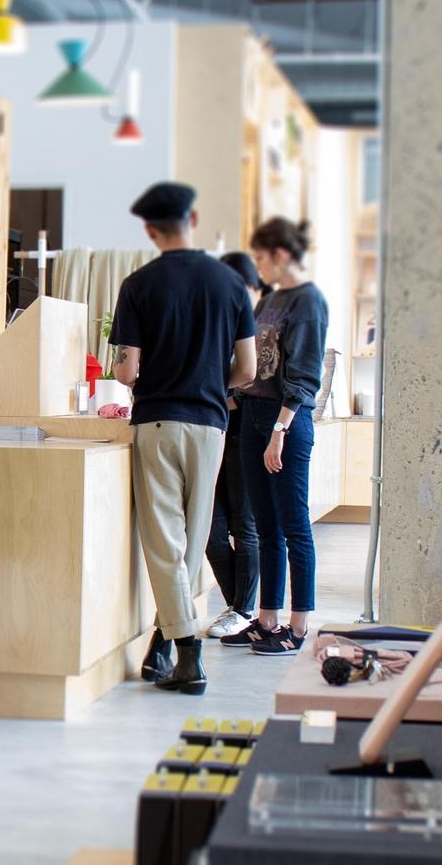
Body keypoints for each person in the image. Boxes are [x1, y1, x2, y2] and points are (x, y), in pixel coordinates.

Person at [110, 183, 258, 694]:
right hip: (213, 426)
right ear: (192, 218)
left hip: (157, 422)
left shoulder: (138, 285)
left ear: (150, 231)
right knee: (192, 541)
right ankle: (162, 643)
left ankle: (188, 655)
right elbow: (248, 368)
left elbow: (126, 372)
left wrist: (140, 369)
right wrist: (212, 383)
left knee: (163, 540)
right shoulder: (233, 285)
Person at [221, 218, 329, 656]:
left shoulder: (308, 300)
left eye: (262, 257)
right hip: (253, 416)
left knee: (294, 525)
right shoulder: (271, 299)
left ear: (281, 255)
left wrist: (279, 430)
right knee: (265, 526)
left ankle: (298, 627)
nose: (258, 265)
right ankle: (267, 620)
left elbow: (304, 374)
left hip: (287, 421)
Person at [203, 252, 265, 639]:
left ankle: (243, 608)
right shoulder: (221, 322)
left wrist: (217, 390)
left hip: (247, 433)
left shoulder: (258, 324)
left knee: (245, 525)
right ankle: (238, 608)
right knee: (210, 527)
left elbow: (254, 382)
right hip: (216, 430)